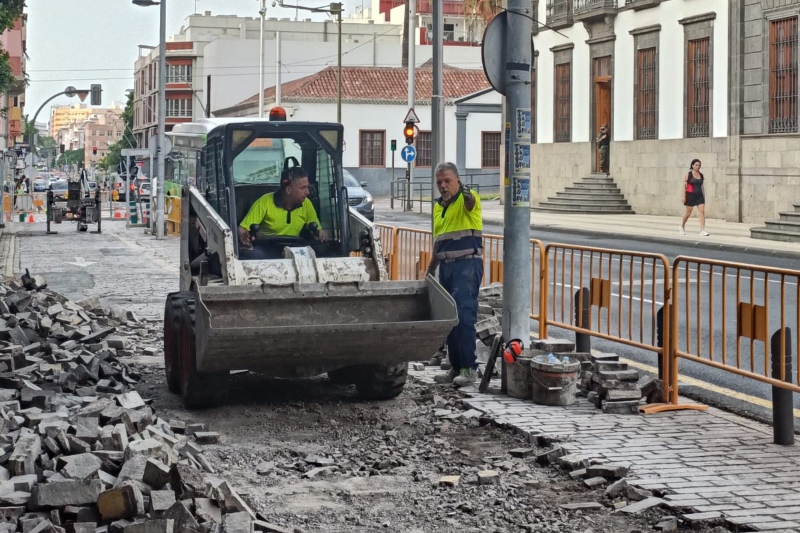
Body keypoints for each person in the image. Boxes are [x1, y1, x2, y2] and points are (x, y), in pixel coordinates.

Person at [427, 162, 483, 388]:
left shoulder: (468, 199)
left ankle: (470, 368)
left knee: (464, 316)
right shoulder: (438, 207)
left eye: (447, 180)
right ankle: (456, 367)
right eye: (439, 181)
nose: (443, 185)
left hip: (467, 265)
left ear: (457, 181)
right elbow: (438, 242)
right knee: (450, 318)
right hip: (446, 267)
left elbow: (470, 202)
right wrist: (431, 268)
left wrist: (466, 193)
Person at [237, 165, 328, 259]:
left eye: (307, 187)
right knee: (253, 255)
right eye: (303, 188)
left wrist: (319, 234)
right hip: (267, 249)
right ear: (289, 190)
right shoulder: (264, 202)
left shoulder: (306, 204)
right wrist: (245, 236)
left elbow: (316, 230)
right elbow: (243, 228)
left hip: (296, 250)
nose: (307, 192)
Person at [680, 158, 709, 236]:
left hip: (699, 196)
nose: (698, 166)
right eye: (696, 165)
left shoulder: (701, 175)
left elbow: (702, 186)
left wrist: (704, 196)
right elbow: (684, 186)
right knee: (688, 213)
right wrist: (683, 196)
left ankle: (702, 230)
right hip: (690, 196)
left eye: (699, 165)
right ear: (692, 165)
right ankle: (682, 226)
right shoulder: (689, 174)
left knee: (702, 212)